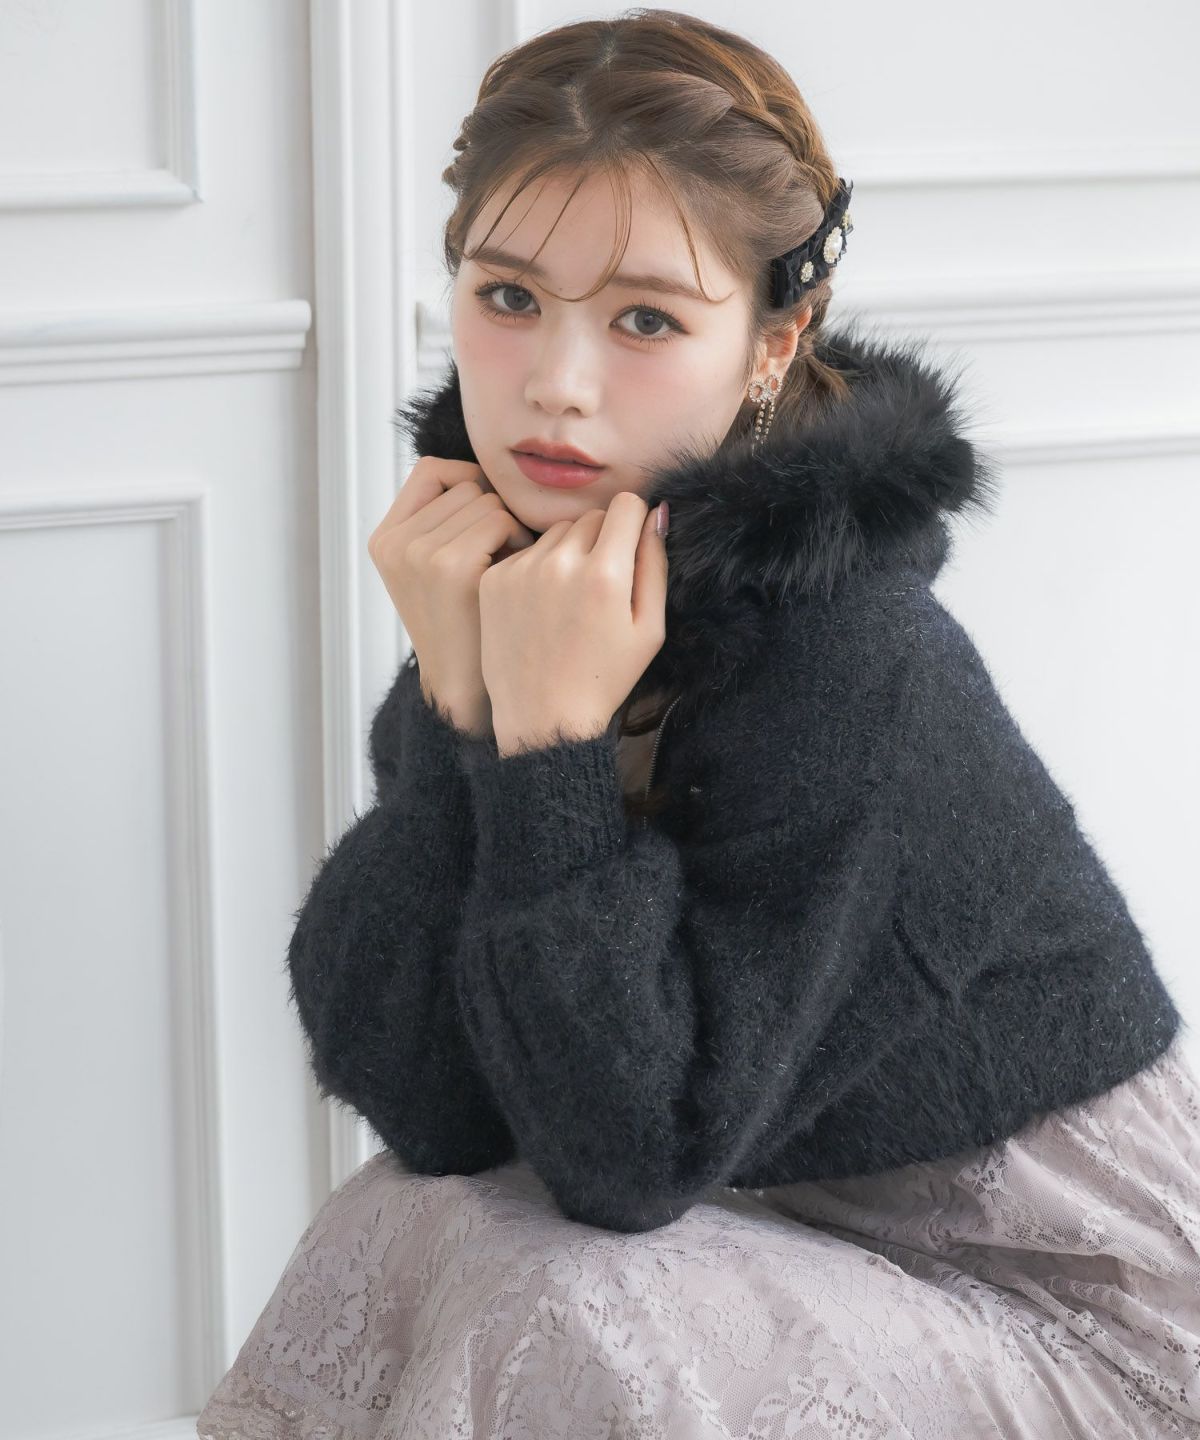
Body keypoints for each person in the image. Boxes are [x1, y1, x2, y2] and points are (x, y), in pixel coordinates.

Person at [197, 9, 1200, 1436]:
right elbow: (433, 1110)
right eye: (507, 295)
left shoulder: (862, 661)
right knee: (410, 1217)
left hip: (1088, 1319)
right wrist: (460, 715)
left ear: (774, 343)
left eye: (648, 319)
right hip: (793, 1232)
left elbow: (626, 1159)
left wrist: (546, 756)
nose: (556, 383)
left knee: (565, 1300)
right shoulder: (547, 596)